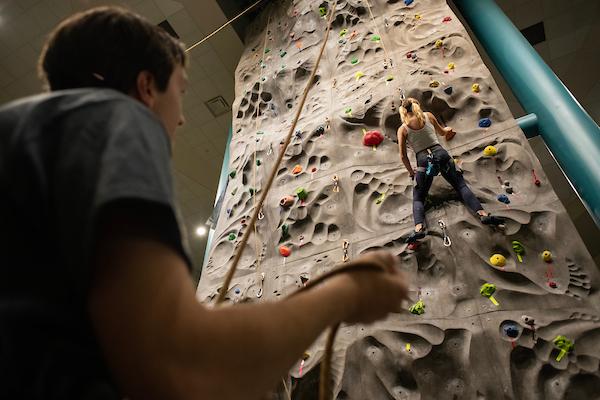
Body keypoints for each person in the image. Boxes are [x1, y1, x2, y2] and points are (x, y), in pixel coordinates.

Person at [0, 7, 409, 400]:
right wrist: (344, 295)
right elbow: (185, 364)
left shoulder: (28, 138)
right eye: (179, 91)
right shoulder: (116, 116)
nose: (180, 119)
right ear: (146, 87)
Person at [397, 98, 504, 242]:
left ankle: (419, 228)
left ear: (403, 112)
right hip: (441, 154)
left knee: (418, 197)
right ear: (418, 106)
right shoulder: (428, 116)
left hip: (423, 161)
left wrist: (411, 172)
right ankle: (483, 214)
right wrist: (447, 130)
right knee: (461, 186)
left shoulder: (403, 129)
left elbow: (403, 156)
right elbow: (442, 132)